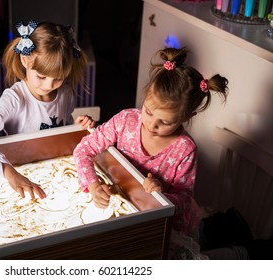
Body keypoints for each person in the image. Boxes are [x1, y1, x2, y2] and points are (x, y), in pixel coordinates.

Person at [73, 47, 229, 238]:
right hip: (133, 210)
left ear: (187, 116)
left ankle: (234, 249)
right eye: (147, 111)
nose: (152, 124)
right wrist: (94, 186)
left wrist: (161, 193)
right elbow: (84, 150)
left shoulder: (185, 149)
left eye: (165, 122)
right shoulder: (125, 120)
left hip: (170, 228)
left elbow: (184, 199)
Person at [0, 20, 95, 200]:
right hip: (20, 173)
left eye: (58, 78)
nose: (49, 85)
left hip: (54, 169)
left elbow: (60, 126)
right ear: (25, 60)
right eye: (41, 76)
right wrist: (9, 172)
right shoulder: (14, 98)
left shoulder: (65, 92)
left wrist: (74, 126)